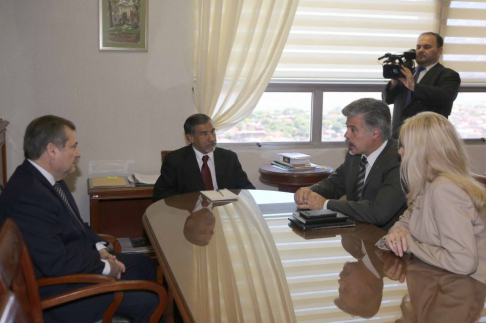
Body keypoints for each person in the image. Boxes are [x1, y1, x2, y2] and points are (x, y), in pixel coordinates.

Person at [0, 115, 162, 323]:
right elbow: (55, 262)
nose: (78, 154)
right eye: (73, 147)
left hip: (72, 269)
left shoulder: (49, 181)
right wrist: (105, 267)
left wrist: (101, 249)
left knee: (145, 266)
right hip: (58, 293)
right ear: (52, 150)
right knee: (151, 299)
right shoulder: (29, 195)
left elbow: (78, 227)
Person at [383, 112, 486, 284]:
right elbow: (407, 219)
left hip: (468, 290)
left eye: (405, 145)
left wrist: (408, 244)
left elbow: (462, 262)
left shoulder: (444, 188)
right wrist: (398, 231)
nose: (400, 151)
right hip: (442, 281)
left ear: (422, 151)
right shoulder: (430, 183)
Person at [294, 98, 407, 230]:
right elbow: (335, 184)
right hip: (355, 234)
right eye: (347, 128)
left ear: (376, 132)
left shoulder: (399, 160)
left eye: (353, 129)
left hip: (385, 240)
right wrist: (310, 191)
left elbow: (378, 212)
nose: (346, 134)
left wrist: (325, 204)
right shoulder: (355, 155)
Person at [153, 113, 254, 201]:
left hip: (224, 212)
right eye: (204, 134)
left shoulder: (229, 158)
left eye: (212, 131)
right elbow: (161, 194)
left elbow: (247, 189)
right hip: (192, 215)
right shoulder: (175, 160)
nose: (212, 138)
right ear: (191, 138)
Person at [382, 32, 461, 138]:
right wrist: (394, 82)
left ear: (439, 51)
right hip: (398, 136)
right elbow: (387, 100)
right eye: (418, 47)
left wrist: (414, 86)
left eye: (427, 47)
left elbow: (445, 97)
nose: (421, 50)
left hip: (428, 137)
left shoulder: (448, 74)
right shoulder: (406, 72)